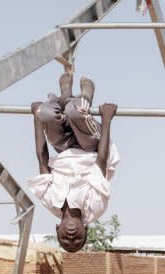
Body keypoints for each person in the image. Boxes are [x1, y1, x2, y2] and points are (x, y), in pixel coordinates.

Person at [28, 72, 120, 252]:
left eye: (64, 238)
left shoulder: (50, 200)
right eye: (78, 240)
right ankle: (85, 95)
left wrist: (36, 117)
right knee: (73, 111)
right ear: (85, 229)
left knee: (46, 113)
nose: (71, 237)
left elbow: (42, 158)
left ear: (57, 229)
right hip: (91, 147)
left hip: (63, 148)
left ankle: (65, 93)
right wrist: (106, 119)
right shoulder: (95, 207)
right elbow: (101, 161)